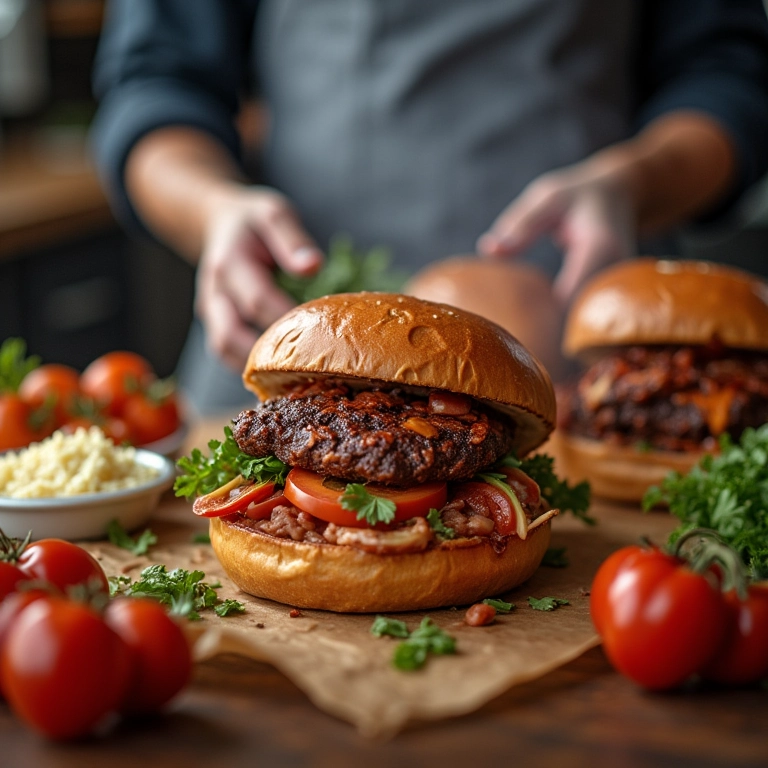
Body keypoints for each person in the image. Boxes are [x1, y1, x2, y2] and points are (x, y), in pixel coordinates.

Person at [90, 0, 768, 413]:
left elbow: (730, 79)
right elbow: (154, 85)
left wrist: (636, 182)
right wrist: (215, 209)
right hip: (285, 334)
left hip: (588, 353)